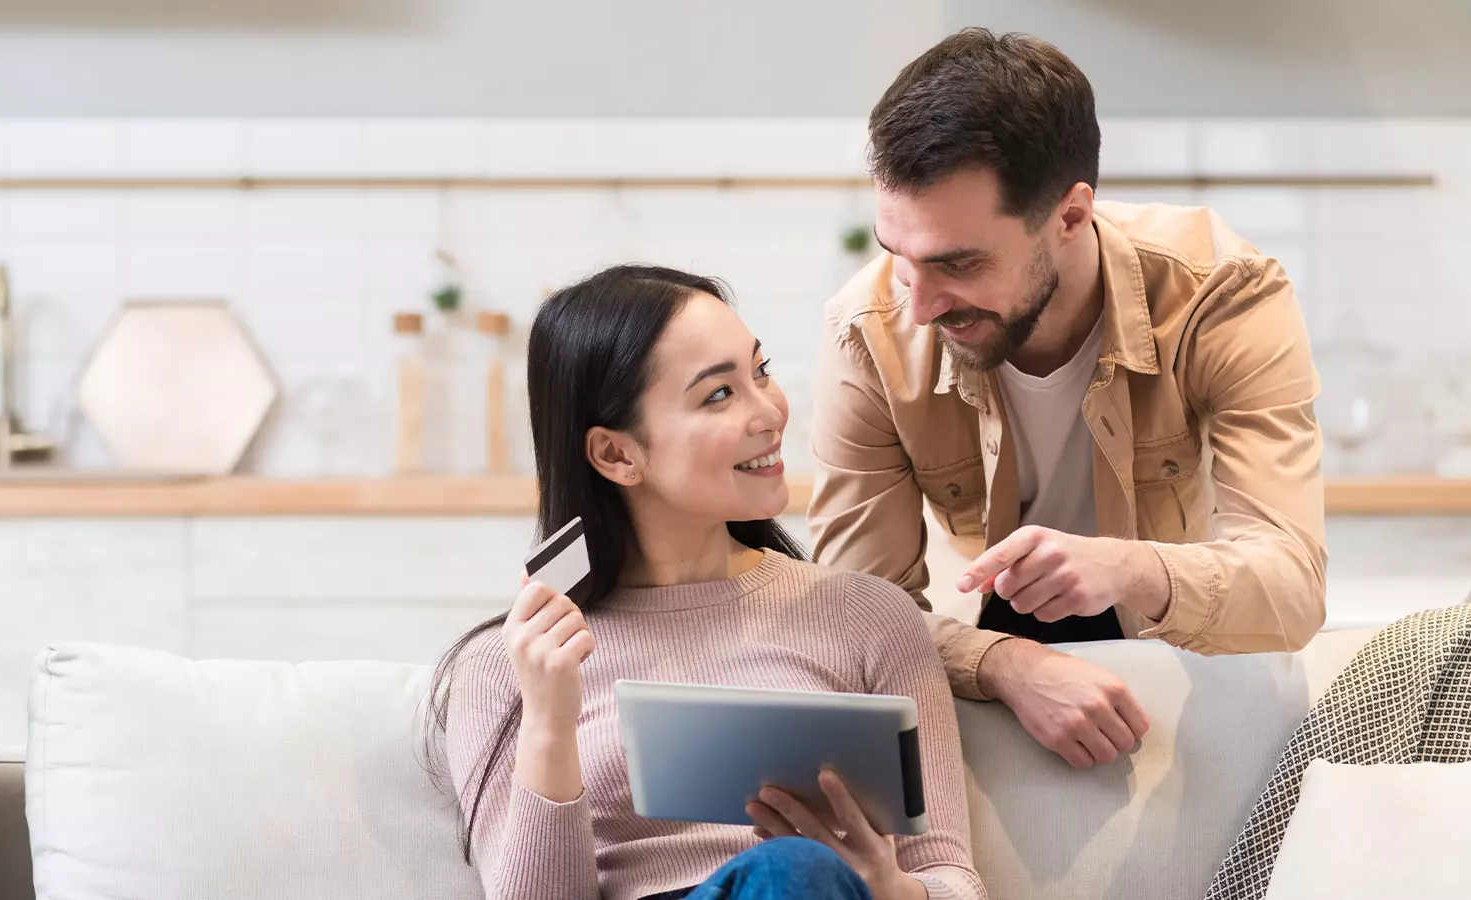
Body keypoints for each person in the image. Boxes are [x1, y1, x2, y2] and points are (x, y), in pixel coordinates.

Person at [808, 28, 1327, 770]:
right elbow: (853, 614)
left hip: (1181, 641)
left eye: (957, 263)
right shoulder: (867, 330)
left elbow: (1290, 589)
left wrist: (1128, 569)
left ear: (1073, 215)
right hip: (989, 646)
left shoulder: (1223, 292)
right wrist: (1006, 664)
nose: (918, 306)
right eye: (899, 257)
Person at [428, 266, 986, 900]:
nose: (771, 411)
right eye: (718, 395)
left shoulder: (869, 618)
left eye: (760, 371)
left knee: (795, 873)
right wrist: (550, 723)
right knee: (791, 871)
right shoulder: (507, 667)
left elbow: (952, 881)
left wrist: (886, 887)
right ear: (617, 454)